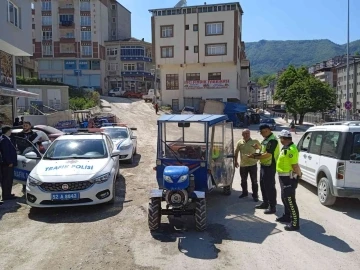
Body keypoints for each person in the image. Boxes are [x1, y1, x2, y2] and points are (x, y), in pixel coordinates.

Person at [248, 124, 280, 214]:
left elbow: (268, 154)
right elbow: (264, 150)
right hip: (264, 165)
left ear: (267, 130)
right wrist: (258, 148)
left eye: (262, 132)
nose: (261, 134)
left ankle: (272, 206)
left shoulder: (272, 140)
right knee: (263, 185)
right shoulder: (267, 139)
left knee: (270, 187)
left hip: (270, 166)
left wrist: (254, 156)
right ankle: (265, 203)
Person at [276, 129, 302, 231]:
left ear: (283, 139)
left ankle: (295, 224)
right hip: (283, 177)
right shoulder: (286, 147)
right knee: (284, 198)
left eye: (281, 139)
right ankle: (287, 216)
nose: (280, 140)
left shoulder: (291, 150)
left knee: (290, 201)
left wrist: (299, 175)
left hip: (288, 178)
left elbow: (295, 165)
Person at [235, 129, 261, 201]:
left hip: (253, 164)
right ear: (242, 135)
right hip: (243, 165)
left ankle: (255, 196)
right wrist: (235, 161)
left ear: (250, 134)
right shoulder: (239, 142)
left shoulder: (255, 141)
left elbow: (261, 149)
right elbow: (236, 152)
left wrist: (257, 148)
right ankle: (244, 193)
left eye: (247, 133)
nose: (246, 135)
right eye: (244, 134)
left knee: (254, 181)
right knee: (243, 180)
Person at [0, 125, 18, 201]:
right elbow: (6, 153)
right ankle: (6, 195)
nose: (11, 132)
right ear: (7, 131)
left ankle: (8, 194)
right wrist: (9, 162)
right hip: (7, 164)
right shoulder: (4, 140)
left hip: (7, 163)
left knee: (8, 179)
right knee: (7, 179)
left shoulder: (6, 139)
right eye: (10, 131)